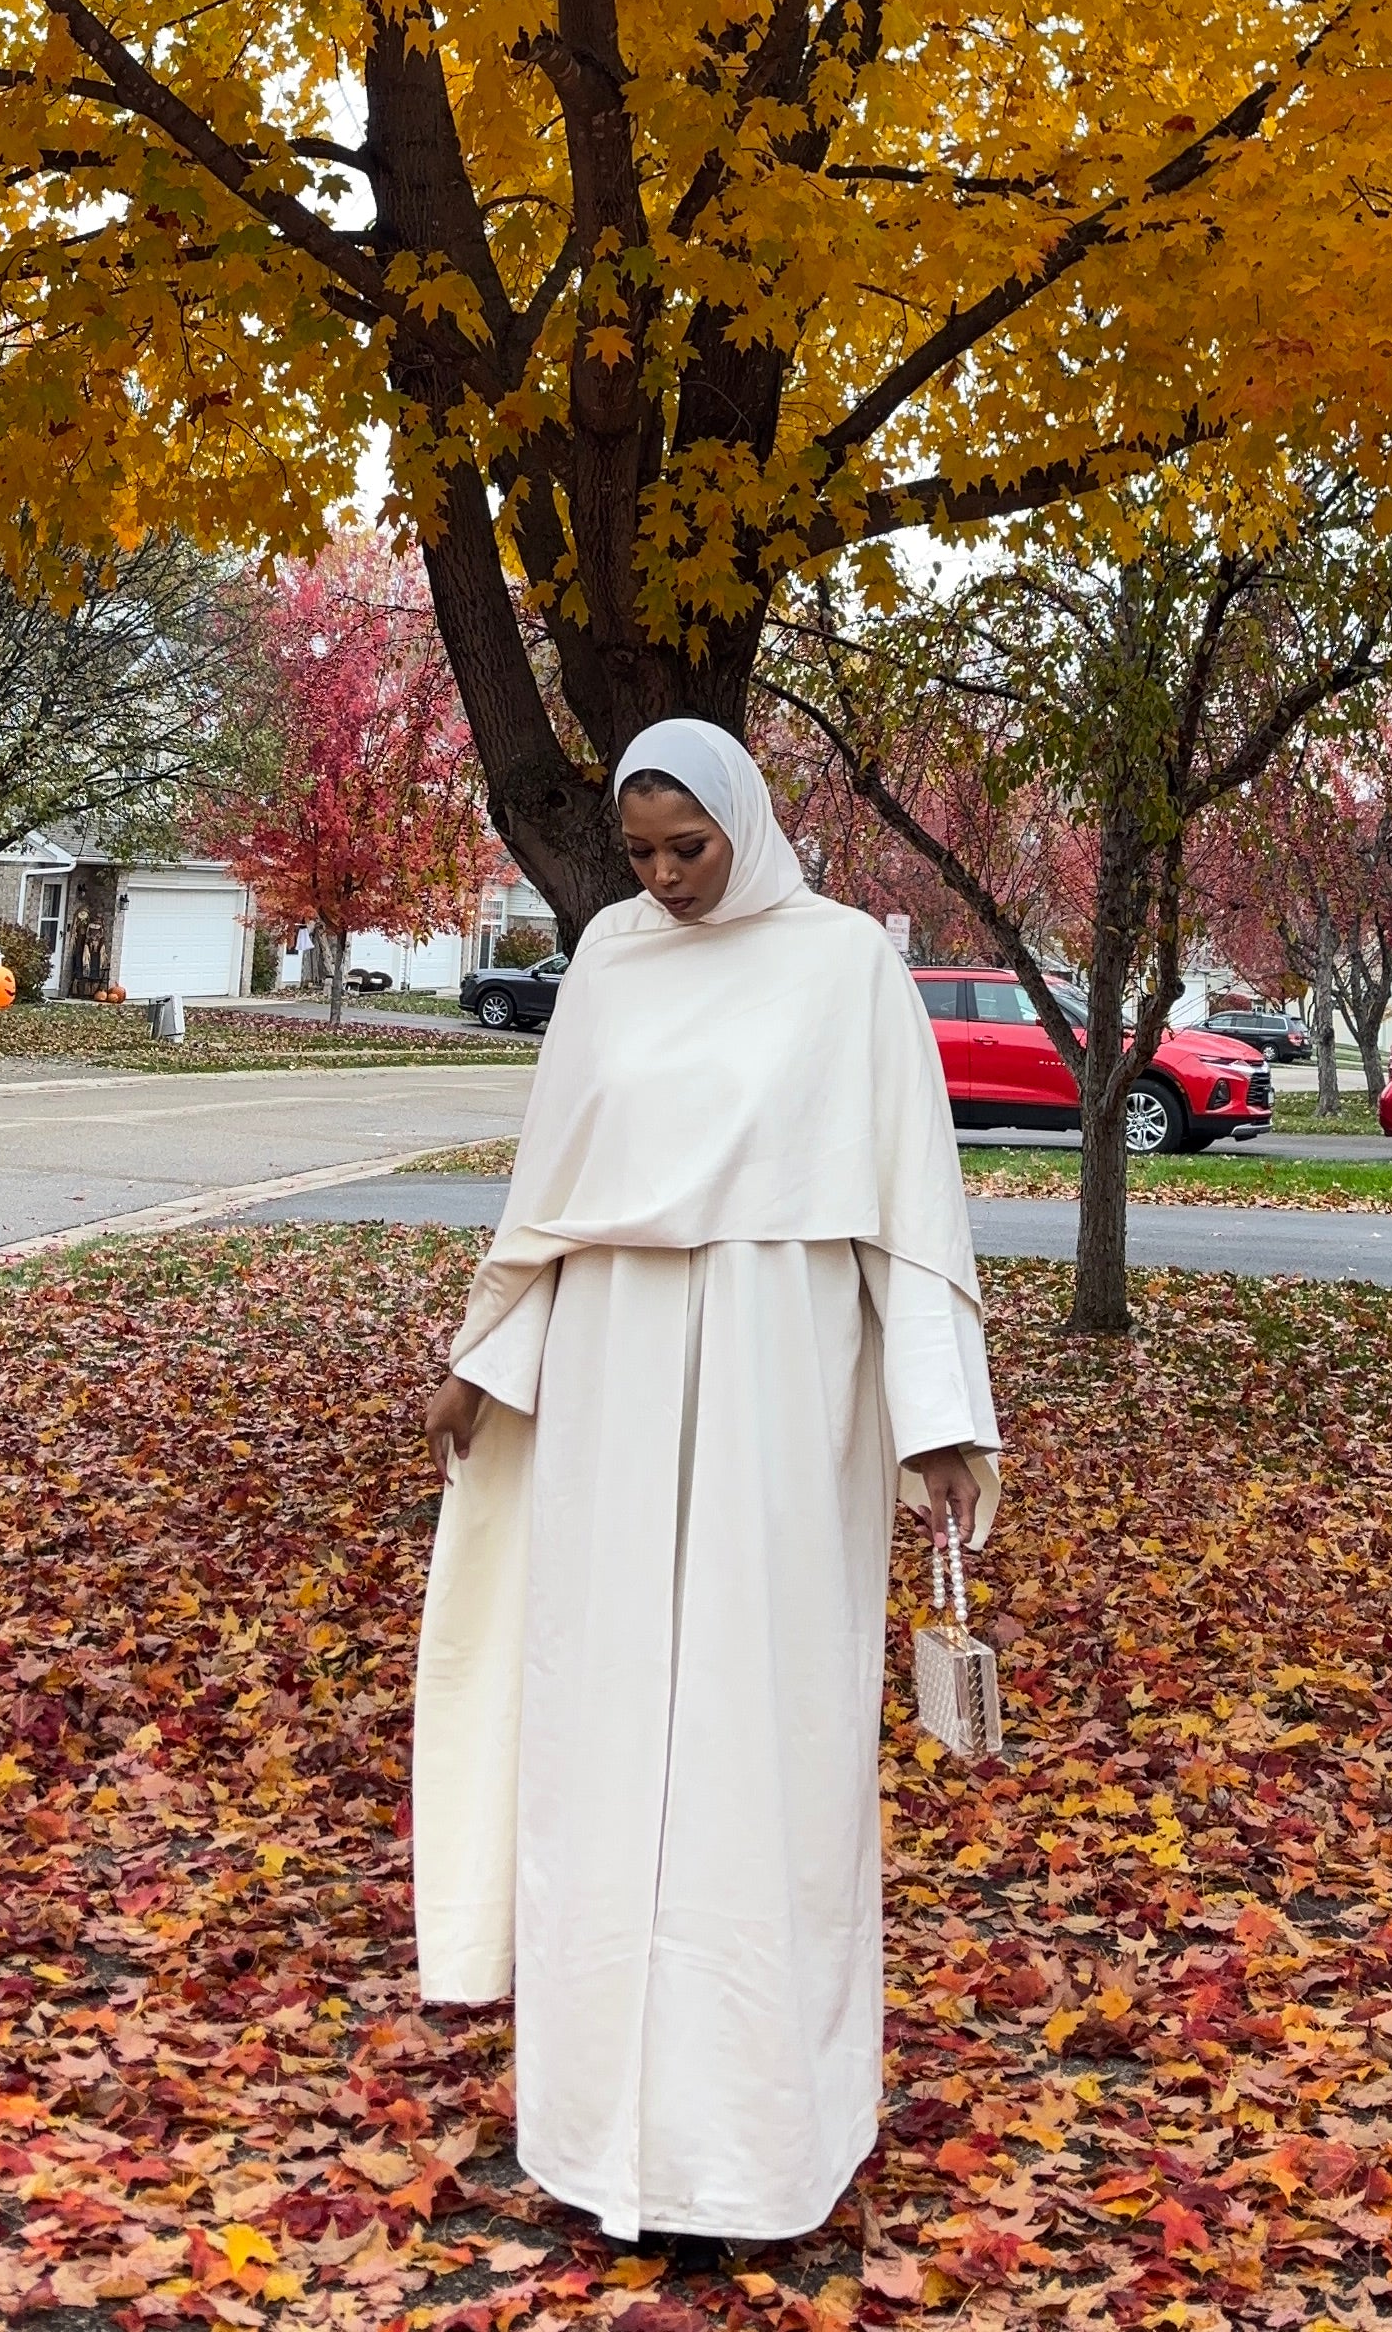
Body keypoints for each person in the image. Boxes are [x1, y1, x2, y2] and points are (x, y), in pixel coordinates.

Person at [411, 719, 1000, 2250]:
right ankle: (601, 2141)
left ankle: (755, 2156)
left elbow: (910, 1221)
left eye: (692, 848)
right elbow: (553, 1203)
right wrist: (486, 1360)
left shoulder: (843, 968)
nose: (666, 878)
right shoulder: (607, 960)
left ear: (748, 823)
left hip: (777, 1386)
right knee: (602, 1745)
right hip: (608, 1382)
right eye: (645, 852)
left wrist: (938, 1418)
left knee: (763, 1755)